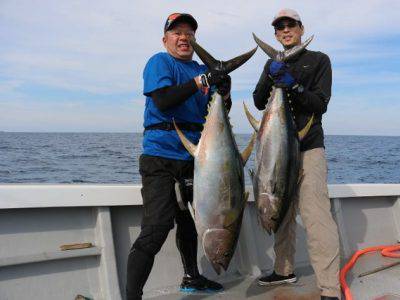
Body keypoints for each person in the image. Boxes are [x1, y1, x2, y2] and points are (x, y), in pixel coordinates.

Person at [125, 13, 231, 300]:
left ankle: (192, 278)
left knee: (191, 224)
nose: (183, 37)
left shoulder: (200, 68)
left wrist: (224, 91)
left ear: (195, 40)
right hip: (160, 157)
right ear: (166, 39)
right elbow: (163, 100)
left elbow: (217, 115)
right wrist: (200, 81)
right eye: (177, 32)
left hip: (197, 159)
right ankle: (131, 296)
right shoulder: (160, 62)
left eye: (189, 33)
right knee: (157, 227)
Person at [252, 8, 341, 300]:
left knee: (316, 216)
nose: (285, 30)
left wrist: (295, 84)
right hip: (275, 150)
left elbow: (319, 104)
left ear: (302, 29)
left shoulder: (319, 60)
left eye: (291, 25)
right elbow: (257, 101)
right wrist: (271, 76)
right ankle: (283, 269)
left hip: (308, 148)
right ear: (275, 34)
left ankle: (329, 287)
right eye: (280, 27)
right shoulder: (270, 62)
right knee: (280, 211)